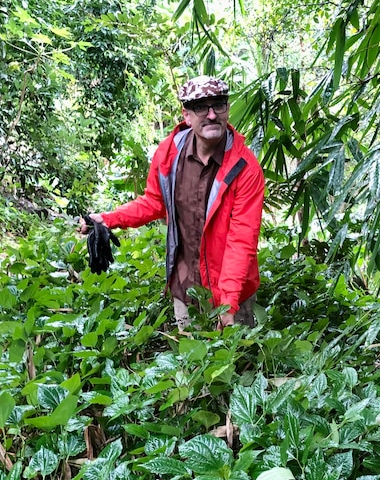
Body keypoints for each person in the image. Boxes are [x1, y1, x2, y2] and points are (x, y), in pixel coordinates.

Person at [80, 76, 265, 330]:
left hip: (232, 295)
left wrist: (227, 305)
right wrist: (108, 219)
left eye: (218, 105)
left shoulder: (245, 168)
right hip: (185, 287)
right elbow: (154, 202)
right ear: (187, 115)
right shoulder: (170, 152)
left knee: (235, 364)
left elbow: (242, 240)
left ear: (227, 109)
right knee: (190, 362)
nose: (211, 115)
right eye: (201, 107)